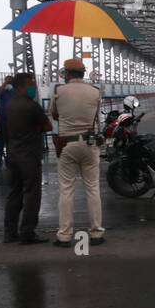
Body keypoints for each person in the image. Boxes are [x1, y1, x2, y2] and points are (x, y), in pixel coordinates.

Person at [50, 57, 105, 247]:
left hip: (67, 144)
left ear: (67, 73)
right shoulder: (95, 91)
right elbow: (97, 117)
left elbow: (54, 114)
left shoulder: (59, 90)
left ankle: (64, 236)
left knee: (66, 189)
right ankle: (97, 233)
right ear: (83, 73)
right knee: (92, 188)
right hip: (90, 144)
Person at [2, 72, 52, 244]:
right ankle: (27, 232)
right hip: (29, 155)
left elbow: (3, 129)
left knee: (14, 193)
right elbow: (48, 126)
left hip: (13, 154)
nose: (34, 88)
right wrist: (35, 128)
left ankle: (9, 233)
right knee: (31, 194)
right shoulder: (32, 106)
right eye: (32, 85)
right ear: (22, 86)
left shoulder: (8, 105)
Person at [0, 75, 14, 171]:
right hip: (2, 120)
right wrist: (5, 83)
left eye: (10, 81)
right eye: (6, 81)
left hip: (12, 121)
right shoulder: (3, 92)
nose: (8, 82)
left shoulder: (15, 91)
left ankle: (9, 161)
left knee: (10, 143)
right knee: (0, 143)